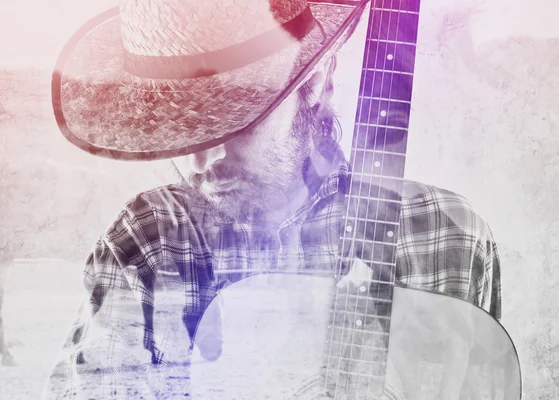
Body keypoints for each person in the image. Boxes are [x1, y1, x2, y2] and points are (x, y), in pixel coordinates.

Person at [43, 0, 502, 398]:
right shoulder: (150, 243)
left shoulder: (448, 239)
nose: (202, 160)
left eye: (237, 118)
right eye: (184, 126)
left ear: (317, 79)